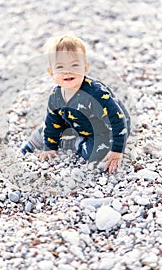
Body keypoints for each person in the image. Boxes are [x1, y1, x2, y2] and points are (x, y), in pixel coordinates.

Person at [21, 35, 131, 173]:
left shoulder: (95, 94)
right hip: (79, 123)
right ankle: (35, 141)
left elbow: (118, 120)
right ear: (51, 73)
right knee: (49, 127)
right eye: (60, 67)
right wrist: (50, 148)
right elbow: (52, 121)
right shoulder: (56, 96)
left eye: (74, 65)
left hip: (106, 131)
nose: (68, 71)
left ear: (85, 68)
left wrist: (117, 151)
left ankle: (72, 143)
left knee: (96, 155)